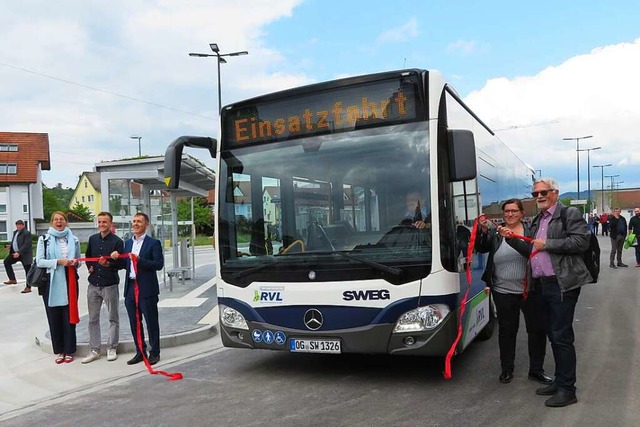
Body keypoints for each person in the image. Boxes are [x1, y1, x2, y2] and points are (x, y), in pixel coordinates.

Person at [528, 178, 591, 407]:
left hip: (562, 283)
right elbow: (532, 248)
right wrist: (509, 236)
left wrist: (548, 244)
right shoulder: (538, 219)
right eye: (535, 194)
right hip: (542, 284)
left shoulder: (569, 213)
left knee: (561, 336)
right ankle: (559, 380)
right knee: (554, 335)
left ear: (555, 192)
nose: (539, 197)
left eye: (543, 192)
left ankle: (568, 389)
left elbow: (581, 242)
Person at [476, 199, 551, 385]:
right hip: (502, 290)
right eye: (506, 211)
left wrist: (511, 238)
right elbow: (482, 247)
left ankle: (536, 370)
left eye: (514, 211)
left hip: (530, 289)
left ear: (521, 213)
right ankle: (507, 369)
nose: (509, 214)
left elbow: (530, 252)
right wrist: (484, 230)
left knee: (536, 330)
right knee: (507, 331)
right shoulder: (496, 232)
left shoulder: (531, 232)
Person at [35, 212, 81, 364]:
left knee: (69, 316)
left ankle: (69, 350)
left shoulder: (74, 240)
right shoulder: (45, 240)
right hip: (51, 281)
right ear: (51, 222)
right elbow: (40, 261)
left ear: (66, 222)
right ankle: (60, 350)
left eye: (62, 219)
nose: (59, 222)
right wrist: (58, 262)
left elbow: (79, 260)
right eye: (56, 219)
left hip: (70, 280)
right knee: (54, 316)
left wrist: (75, 262)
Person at [82, 212, 126, 364]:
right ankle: (95, 349)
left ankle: (112, 347)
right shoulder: (92, 239)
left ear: (110, 223)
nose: (101, 225)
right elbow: (88, 256)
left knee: (113, 318)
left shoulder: (118, 242)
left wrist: (109, 264)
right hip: (93, 284)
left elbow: (122, 264)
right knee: (92, 319)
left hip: (110, 285)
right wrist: (90, 267)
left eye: (104, 222)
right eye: (99, 222)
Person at [122, 212, 164, 366]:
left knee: (151, 321)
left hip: (147, 288)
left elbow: (158, 265)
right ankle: (140, 351)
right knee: (134, 322)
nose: (135, 224)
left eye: (139, 221)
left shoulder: (153, 243)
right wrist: (111, 261)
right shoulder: (127, 243)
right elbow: (124, 264)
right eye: (134, 221)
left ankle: (155, 352)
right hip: (131, 288)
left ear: (146, 224)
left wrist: (140, 261)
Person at [3, 219, 33, 293]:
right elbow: (16, 242)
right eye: (17, 225)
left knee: (27, 271)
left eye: (20, 225)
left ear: (23, 225)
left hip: (24, 254)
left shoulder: (27, 233)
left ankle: (28, 287)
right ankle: (12, 279)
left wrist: (19, 252)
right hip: (15, 253)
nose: (19, 226)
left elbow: (26, 245)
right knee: (6, 262)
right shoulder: (15, 232)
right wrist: (10, 246)